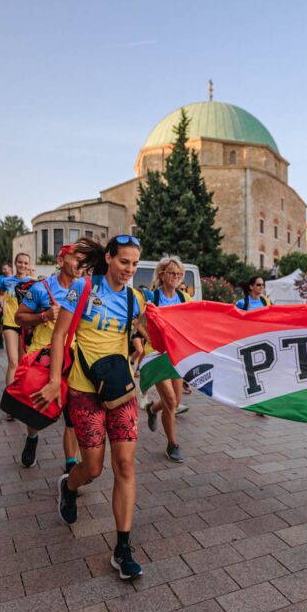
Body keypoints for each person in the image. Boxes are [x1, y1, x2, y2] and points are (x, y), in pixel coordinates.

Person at [35, 235, 147, 580]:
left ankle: (122, 548)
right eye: (124, 261)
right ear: (110, 258)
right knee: (94, 469)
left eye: (134, 264)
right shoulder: (83, 288)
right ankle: (69, 486)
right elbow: (59, 335)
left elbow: (136, 328)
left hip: (121, 390)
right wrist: (56, 380)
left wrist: (138, 338)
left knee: (125, 466)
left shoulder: (135, 298)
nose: (129, 269)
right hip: (84, 390)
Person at [16, 245, 83, 473]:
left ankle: (70, 465)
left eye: (84, 261)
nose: (81, 265)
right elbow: (19, 318)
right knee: (36, 407)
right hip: (42, 358)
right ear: (61, 260)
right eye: (77, 259)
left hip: (73, 359)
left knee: (72, 416)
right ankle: (32, 438)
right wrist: (43, 315)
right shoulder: (41, 288)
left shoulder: (85, 289)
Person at [142, 256, 191, 463]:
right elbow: (140, 324)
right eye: (172, 273)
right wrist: (154, 340)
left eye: (179, 274)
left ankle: (152, 409)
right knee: (171, 401)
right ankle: (172, 444)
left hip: (176, 355)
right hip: (157, 354)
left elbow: (190, 323)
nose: (176, 277)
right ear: (162, 275)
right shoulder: (152, 298)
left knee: (176, 401)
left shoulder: (184, 298)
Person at [0, 254, 35, 418]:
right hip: (10, 323)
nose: (23, 265)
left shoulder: (33, 282)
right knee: (12, 361)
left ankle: (21, 398)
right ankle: (10, 404)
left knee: (23, 363)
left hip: (26, 325)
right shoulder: (6, 281)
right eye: (20, 262)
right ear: (15, 263)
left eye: (26, 263)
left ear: (28, 264)